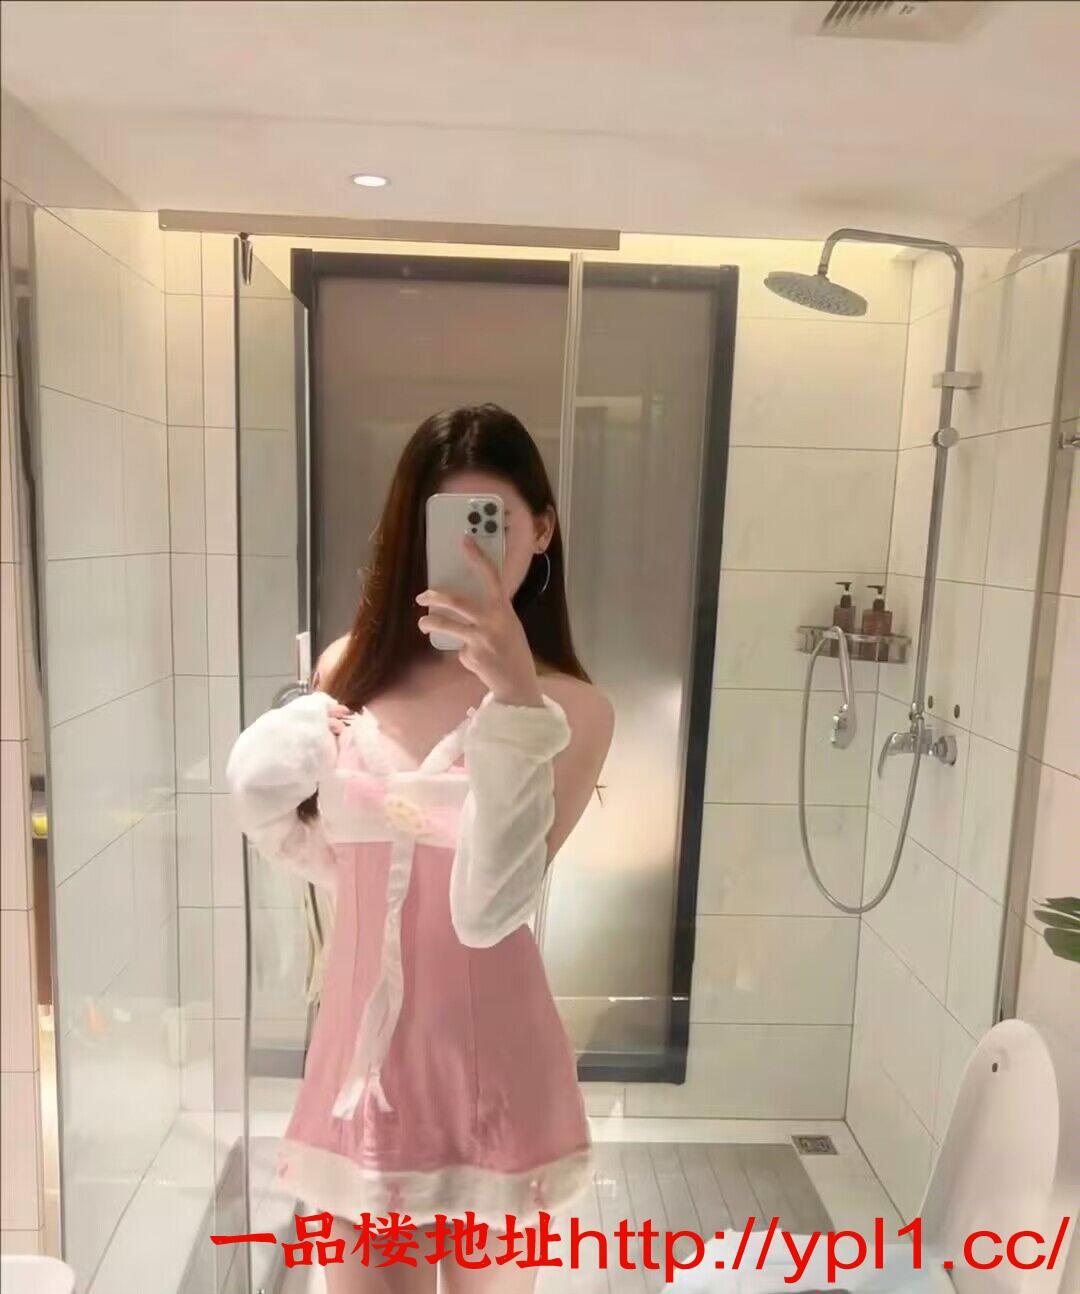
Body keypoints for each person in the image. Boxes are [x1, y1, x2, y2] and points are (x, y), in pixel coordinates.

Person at [225, 403, 614, 1293]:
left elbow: (490, 909)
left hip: (495, 1068)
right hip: (363, 1070)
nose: (472, 551)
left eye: (493, 523)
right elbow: (324, 857)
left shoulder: (573, 711)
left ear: (541, 530)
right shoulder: (347, 672)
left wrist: (516, 703)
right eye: (449, 526)